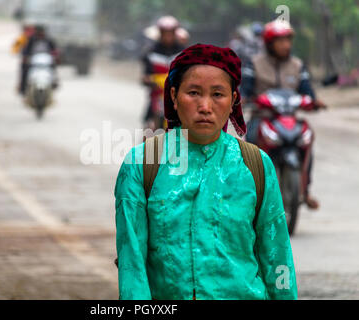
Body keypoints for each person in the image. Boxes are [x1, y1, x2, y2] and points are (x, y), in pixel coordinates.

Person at [115, 44, 298, 300]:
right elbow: (131, 260)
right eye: (193, 93)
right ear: (174, 97)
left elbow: (277, 255)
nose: (205, 106)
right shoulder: (142, 163)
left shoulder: (256, 164)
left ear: (234, 100)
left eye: (218, 94)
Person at [241, 19, 325, 210]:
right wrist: (244, 98)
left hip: (289, 119)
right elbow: (245, 89)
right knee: (250, 147)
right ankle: (249, 192)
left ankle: (305, 190)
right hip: (262, 116)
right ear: (270, 44)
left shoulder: (297, 65)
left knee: (306, 143)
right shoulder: (254, 63)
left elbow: (307, 91)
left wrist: (314, 101)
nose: (285, 45)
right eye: (280, 41)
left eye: (288, 40)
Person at [141, 16, 185, 130]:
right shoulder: (151, 52)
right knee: (150, 127)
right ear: (160, 33)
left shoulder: (183, 52)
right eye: (165, 33)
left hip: (179, 97)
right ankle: (150, 146)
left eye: (171, 33)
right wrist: (148, 80)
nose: (168, 36)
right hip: (157, 95)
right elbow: (145, 75)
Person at [20, 25, 59, 95]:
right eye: (39, 32)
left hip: (46, 60)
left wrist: (56, 56)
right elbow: (25, 50)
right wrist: (25, 57)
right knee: (25, 69)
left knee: (53, 68)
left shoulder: (48, 40)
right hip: (34, 60)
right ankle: (23, 88)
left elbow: (54, 50)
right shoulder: (31, 40)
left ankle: (54, 82)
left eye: (41, 32)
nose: (40, 33)